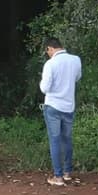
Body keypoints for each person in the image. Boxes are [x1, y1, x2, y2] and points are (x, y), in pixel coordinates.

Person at [39, 36, 82, 186]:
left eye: (47, 51)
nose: (48, 54)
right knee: (67, 139)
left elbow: (45, 88)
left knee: (55, 140)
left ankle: (58, 177)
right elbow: (77, 78)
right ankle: (67, 173)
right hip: (69, 106)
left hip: (53, 106)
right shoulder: (76, 60)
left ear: (50, 48)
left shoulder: (50, 64)